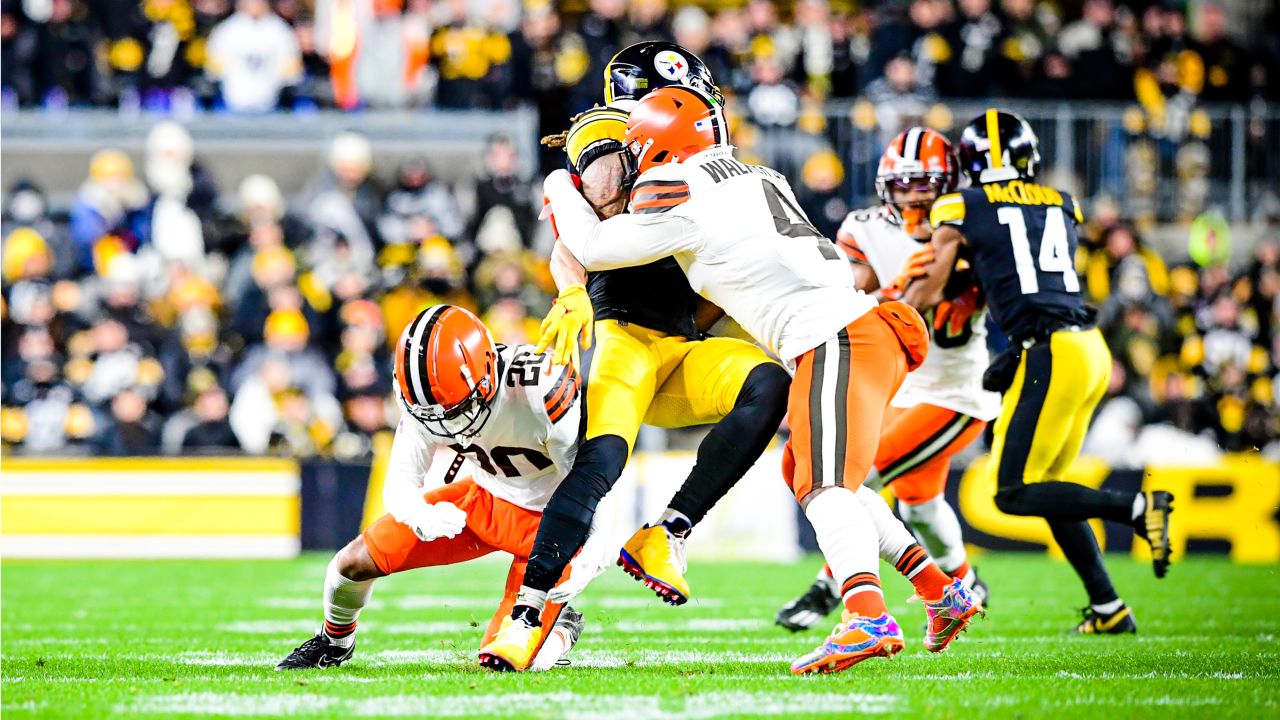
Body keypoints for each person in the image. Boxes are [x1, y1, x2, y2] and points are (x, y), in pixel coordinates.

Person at [488, 84, 983, 676]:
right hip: (848, 334)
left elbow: (591, 245)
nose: (635, 163)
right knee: (807, 473)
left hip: (837, 340)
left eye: (640, 148)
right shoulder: (759, 175)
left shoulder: (683, 193)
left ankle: (867, 616)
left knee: (826, 486)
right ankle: (939, 590)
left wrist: (557, 182)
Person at [510, 42, 790, 623]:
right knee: (602, 463)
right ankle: (528, 608)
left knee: (769, 384)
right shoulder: (612, 141)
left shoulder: (700, 164)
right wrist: (570, 290)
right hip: (627, 340)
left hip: (683, 344)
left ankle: (668, 531)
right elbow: (576, 242)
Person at [905, 109, 1175, 634]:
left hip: (1050, 351)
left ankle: (1138, 507)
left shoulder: (962, 204)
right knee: (1047, 483)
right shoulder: (1061, 202)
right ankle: (1108, 608)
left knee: (1012, 491)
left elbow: (932, 290)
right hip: (1087, 348)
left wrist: (898, 297)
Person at [275, 305, 597, 671]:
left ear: (487, 375)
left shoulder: (539, 391)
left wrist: (585, 554)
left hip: (550, 525)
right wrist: (420, 516)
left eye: (451, 408)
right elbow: (400, 484)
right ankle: (334, 644)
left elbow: (591, 485)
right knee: (351, 564)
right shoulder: (426, 399)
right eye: (431, 413)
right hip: (484, 499)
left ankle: (561, 628)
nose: (443, 424)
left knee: (506, 659)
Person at [776, 127, 997, 632]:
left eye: (927, 184)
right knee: (920, 502)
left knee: (857, 473)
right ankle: (962, 582)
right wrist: (893, 294)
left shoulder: (971, 224)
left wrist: (924, 288)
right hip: (899, 386)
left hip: (956, 390)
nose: (915, 195)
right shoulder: (866, 227)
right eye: (905, 184)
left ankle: (831, 588)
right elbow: (846, 300)